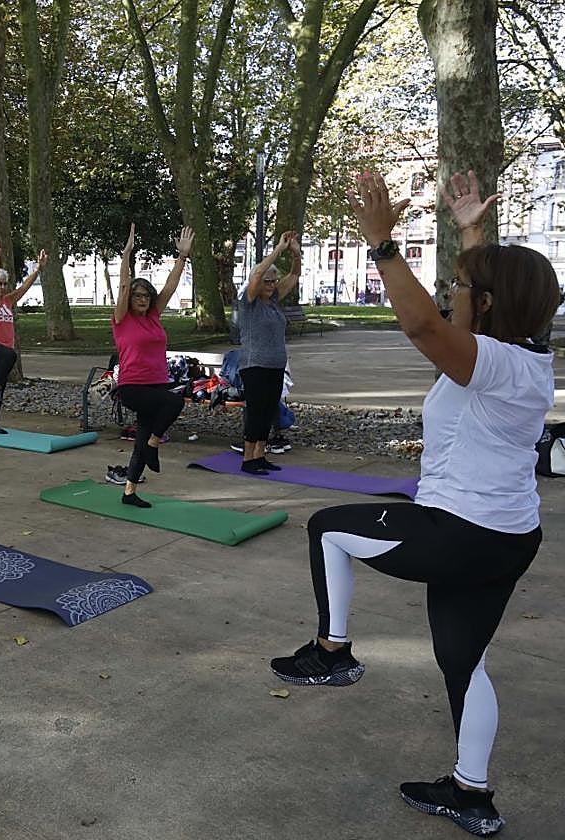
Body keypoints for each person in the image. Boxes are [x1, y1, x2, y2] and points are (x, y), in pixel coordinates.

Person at [269, 170, 559, 837]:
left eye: (459, 286)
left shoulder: (493, 361)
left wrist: (382, 243)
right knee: (463, 662)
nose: (449, 293)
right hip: (507, 538)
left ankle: (333, 652)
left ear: (486, 304)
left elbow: (422, 324)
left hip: (461, 531)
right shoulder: (520, 357)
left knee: (327, 529)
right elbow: (467, 308)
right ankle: (470, 793)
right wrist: (472, 236)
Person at [110, 223, 192, 508]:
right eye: (137, 296)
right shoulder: (122, 319)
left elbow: (170, 285)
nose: (143, 299)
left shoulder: (154, 316)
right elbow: (123, 285)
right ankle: (154, 444)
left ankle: (129, 492)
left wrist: (182, 257)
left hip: (156, 383)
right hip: (132, 386)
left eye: (146, 295)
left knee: (141, 440)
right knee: (175, 402)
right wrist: (126, 256)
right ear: (130, 299)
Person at [238, 231, 301, 475]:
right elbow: (256, 275)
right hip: (255, 365)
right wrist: (278, 249)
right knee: (255, 412)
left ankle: (260, 455)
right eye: (267, 281)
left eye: (274, 281)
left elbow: (294, 275)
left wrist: (295, 255)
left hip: (275, 366)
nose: (272, 285)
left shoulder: (273, 301)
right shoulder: (248, 301)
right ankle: (248, 459)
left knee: (268, 412)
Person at [0, 247, 47, 433]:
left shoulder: (8, 300)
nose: (2, 287)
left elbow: (25, 287)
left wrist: (38, 268)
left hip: (4, 350)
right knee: (10, 357)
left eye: (5, 284)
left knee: (1, 387)